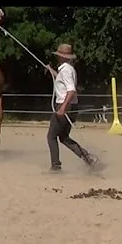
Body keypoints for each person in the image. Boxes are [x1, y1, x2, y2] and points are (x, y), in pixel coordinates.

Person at [44, 43, 99, 173]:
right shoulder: (66, 69)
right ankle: (88, 158)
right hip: (71, 105)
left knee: (51, 136)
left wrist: (63, 108)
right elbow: (63, 81)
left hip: (65, 105)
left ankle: (56, 166)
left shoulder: (66, 70)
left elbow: (71, 90)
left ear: (62, 57)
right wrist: (51, 71)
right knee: (63, 137)